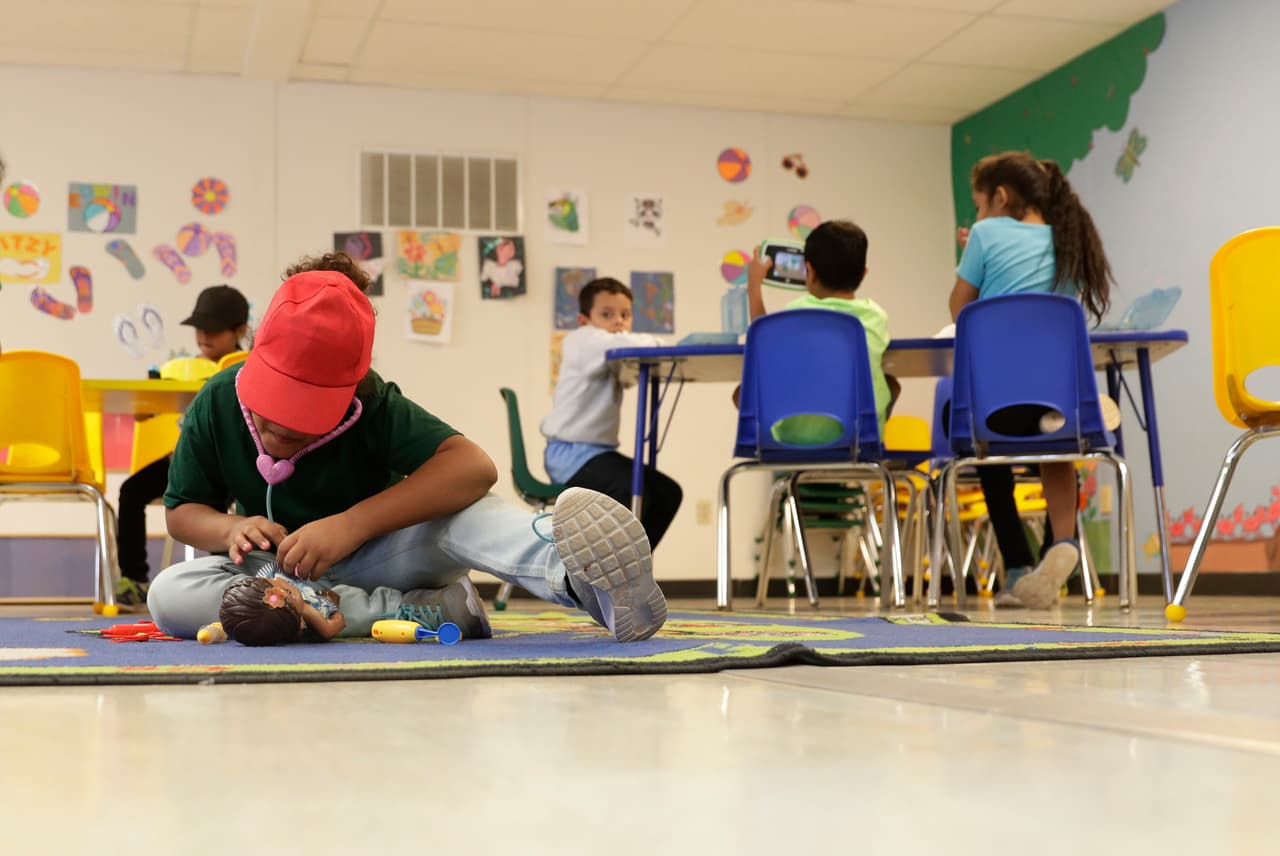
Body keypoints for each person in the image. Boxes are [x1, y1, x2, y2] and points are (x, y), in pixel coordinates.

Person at [146, 257, 667, 644]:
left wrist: (351, 525)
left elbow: (473, 468)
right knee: (169, 594)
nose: (281, 427)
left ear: (348, 392)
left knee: (467, 515)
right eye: (273, 404)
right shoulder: (218, 399)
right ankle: (415, 612)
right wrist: (230, 529)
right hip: (272, 578)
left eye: (304, 417)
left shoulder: (373, 402)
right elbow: (183, 513)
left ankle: (579, 577)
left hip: (377, 557)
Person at [949, 150, 1114, 609]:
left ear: (1000, 197)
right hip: (1057, 405)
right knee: (1056, 449)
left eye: (980, 204)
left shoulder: (983, 234)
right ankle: (1062, 543)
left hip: (997, 404)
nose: (978, 215)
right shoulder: (1069, 239)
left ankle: (1018, 565)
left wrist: (971, 252)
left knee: (983, 449)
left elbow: (960, 310)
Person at [114, 284, 250, 607]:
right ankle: (134, 579)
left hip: (243, 460)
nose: (204, 335)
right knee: (131, 490)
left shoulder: (250, 367)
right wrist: (150, 399)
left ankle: (231, 578)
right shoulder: (182, 369)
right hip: (194, 459)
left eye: (214, 329)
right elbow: (144, 410)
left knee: (220, 503)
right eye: (199, 328)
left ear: (239, 330)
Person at [541, 277, 683, 547]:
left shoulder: (607, 349)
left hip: (595, 454)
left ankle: (630, 570)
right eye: (606, 314)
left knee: (667, 493)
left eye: (625, 315)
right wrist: (652, 342)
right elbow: (630, 346)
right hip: (569, 454)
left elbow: (633, 354)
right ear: (584, 320)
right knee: (631, 490)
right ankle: (602, 573)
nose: (618, 321)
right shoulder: (582, 340)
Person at [745, 220, 898, 425]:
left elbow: (762, 341)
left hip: (792, 438)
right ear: (863, 274)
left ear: (810, 271)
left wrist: (754, 285)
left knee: (743, 392)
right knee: (892, 385)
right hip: (857, 436)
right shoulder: (875, 316)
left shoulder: (796, 312)